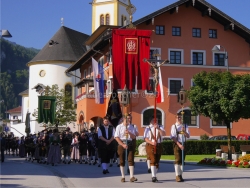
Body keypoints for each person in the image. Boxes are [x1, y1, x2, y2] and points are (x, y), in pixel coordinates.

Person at [115, 114, 138, 183]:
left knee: (131, 160)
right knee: (122, 161)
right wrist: (122, 144)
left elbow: (134, 137)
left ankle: (131, 176)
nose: (129, 120)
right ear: (123, 119)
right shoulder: (119, 127)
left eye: (129, 119)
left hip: (130, 143)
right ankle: (123, 176)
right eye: (127, 119)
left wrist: (129, 132)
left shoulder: (131, 126)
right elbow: (116, 137)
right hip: (122, 143)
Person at [144, 116, 166, 182]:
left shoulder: (161, 127)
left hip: (159, 145)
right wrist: (152, 142)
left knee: (157, 161)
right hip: (150, 145)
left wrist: (158, 128)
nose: (156, 121)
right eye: (154, 120)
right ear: (151, 121)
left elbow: (164, 134)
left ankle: (155, 175)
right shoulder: (148, 128)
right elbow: (145, 138)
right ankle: (153, 176)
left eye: (157, 120)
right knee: (153, 159)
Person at [170, 114, 190, 182]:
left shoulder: (185, 126)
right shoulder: (174, 126)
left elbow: (188, 136)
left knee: (182, 160)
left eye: (180, 117)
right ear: (175, 118)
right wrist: (179, 144)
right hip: (177, 144)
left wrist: (184, 131)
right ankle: (177, 175)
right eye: (177, 117)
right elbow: (173, 137)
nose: (179, 118)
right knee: (178, 159)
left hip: (184, 143)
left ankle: (181, 175)